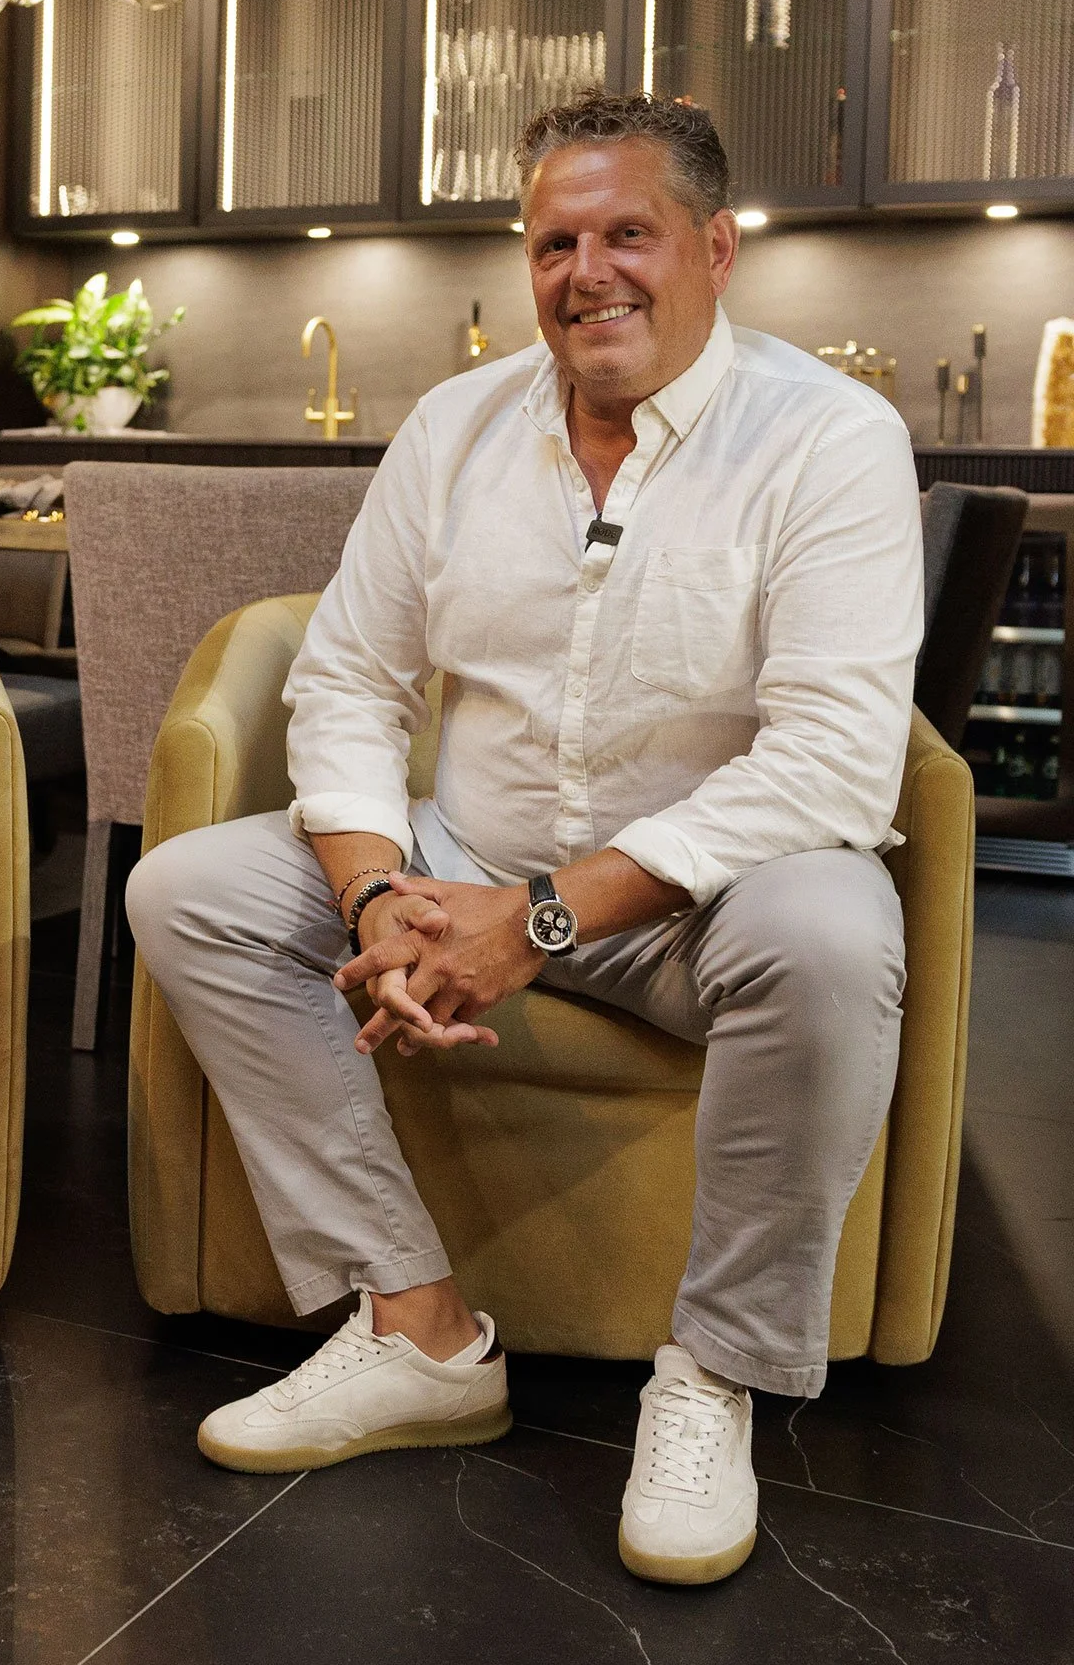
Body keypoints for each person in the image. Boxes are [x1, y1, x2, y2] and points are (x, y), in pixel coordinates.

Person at [126, 90, 921, 1587]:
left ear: (714, 250)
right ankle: (415, 1328)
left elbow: (830, 761)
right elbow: (349, 681)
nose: (587, 273)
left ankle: (714, 1373)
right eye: (556, 242)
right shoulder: (456, 426)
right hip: (463, 855)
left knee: (833, 933)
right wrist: (376, 895)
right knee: (186, 889)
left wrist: (541, 920)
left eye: (629, 234)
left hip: (706, 902)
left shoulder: (829, 437)